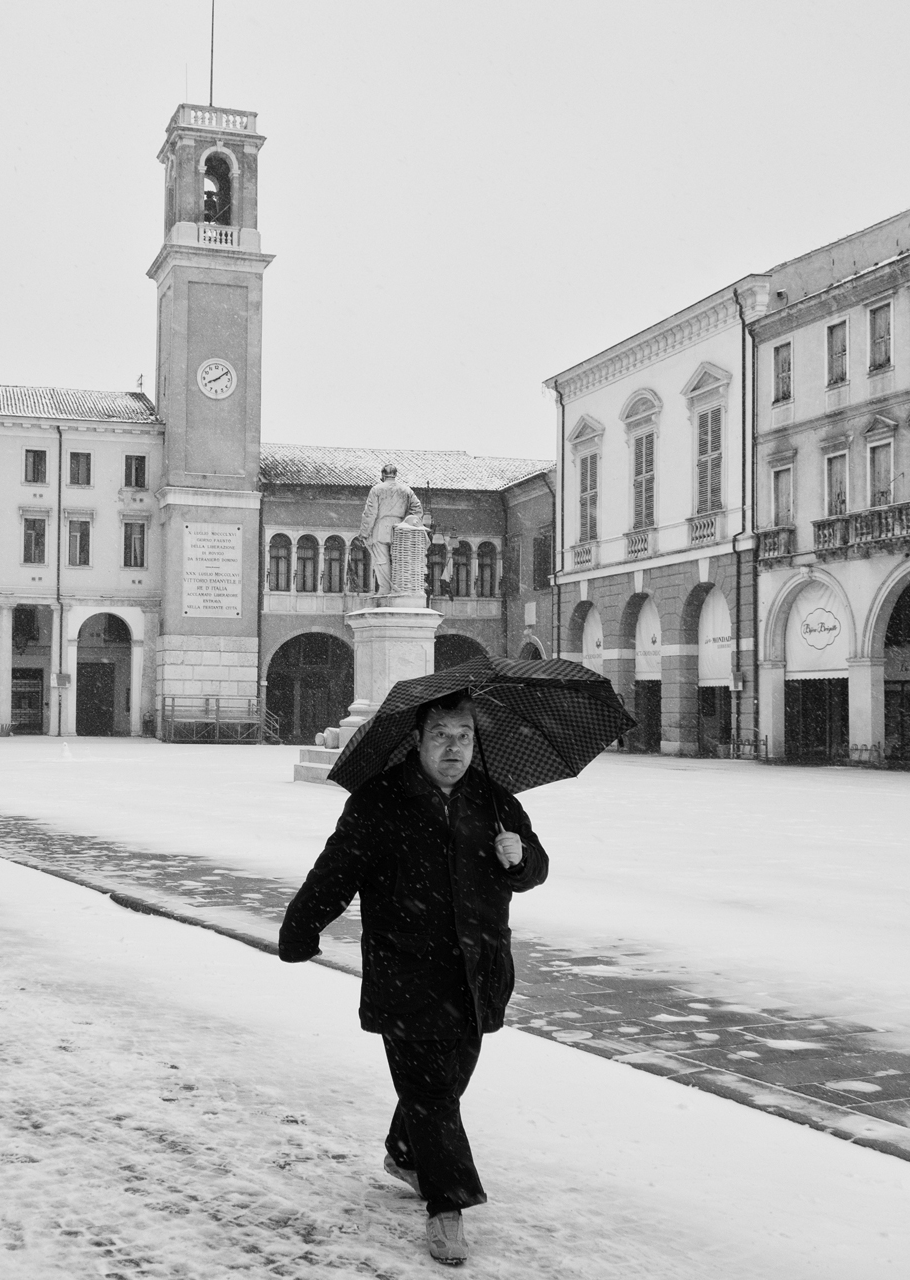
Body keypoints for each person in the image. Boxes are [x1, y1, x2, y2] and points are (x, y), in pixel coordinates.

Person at [279, 691, 549, 1266]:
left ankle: (405, 1152)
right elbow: (336, 872)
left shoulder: (495, 800)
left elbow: (534, 872)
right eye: (442, 736)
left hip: (478, 972)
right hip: (407, 971)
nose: (454, 748)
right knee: (431, 1093)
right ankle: (447, 1204)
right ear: (418, 741)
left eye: (464, 737)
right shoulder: (380, 801)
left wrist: (520, 857)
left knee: (447, 1083)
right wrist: (300, 928)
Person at [358, 464, 424, 595]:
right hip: (401, 528)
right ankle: (400, 587)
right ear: (395, 475)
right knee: (400, 558)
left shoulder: (376, 490)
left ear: (383, 475)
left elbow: (370, 513)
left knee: (381, 560)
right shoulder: (406, 490)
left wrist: (364, 532)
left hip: (381, 528)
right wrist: (409, 522)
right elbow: (417, 509)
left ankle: (385, 588)